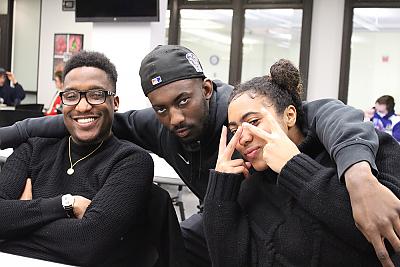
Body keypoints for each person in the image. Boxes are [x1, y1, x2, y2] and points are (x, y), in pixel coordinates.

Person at [0, 45, 399, 267]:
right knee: (179, 241)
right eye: (161, 108)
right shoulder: (158, 123)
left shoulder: (240, 110)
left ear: (207, 89)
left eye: (184, 101)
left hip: (269, 202)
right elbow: (84, 116)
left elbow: (328, 112)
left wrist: (359, 175)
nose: (174, 118)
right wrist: (11, 134)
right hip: (226, 207)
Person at [204, 59, 400, 266]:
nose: (243, 138)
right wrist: (220, 193)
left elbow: (384, 240)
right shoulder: (250, 186)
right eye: (235, 130)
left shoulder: (360, 154)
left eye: (253, 122)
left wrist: (293, 166)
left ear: (290, 115)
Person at [0, 51, 185, 266]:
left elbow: (87, 244)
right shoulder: (33, 149)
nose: (83, 106)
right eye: (71, 96)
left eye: (96, 95)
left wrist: (18, 223)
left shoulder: (131, 160)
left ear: (114, 102)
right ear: (62, 102)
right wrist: (64, 205)